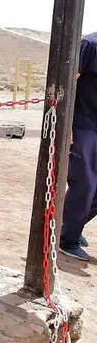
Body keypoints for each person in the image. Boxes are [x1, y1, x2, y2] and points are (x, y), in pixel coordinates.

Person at [60, 32, 97, 261]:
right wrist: (67, 125)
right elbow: (68, 81)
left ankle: (73, 224)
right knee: (84, 181)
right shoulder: (90, 45)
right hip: (83, 125)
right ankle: (67, 239)